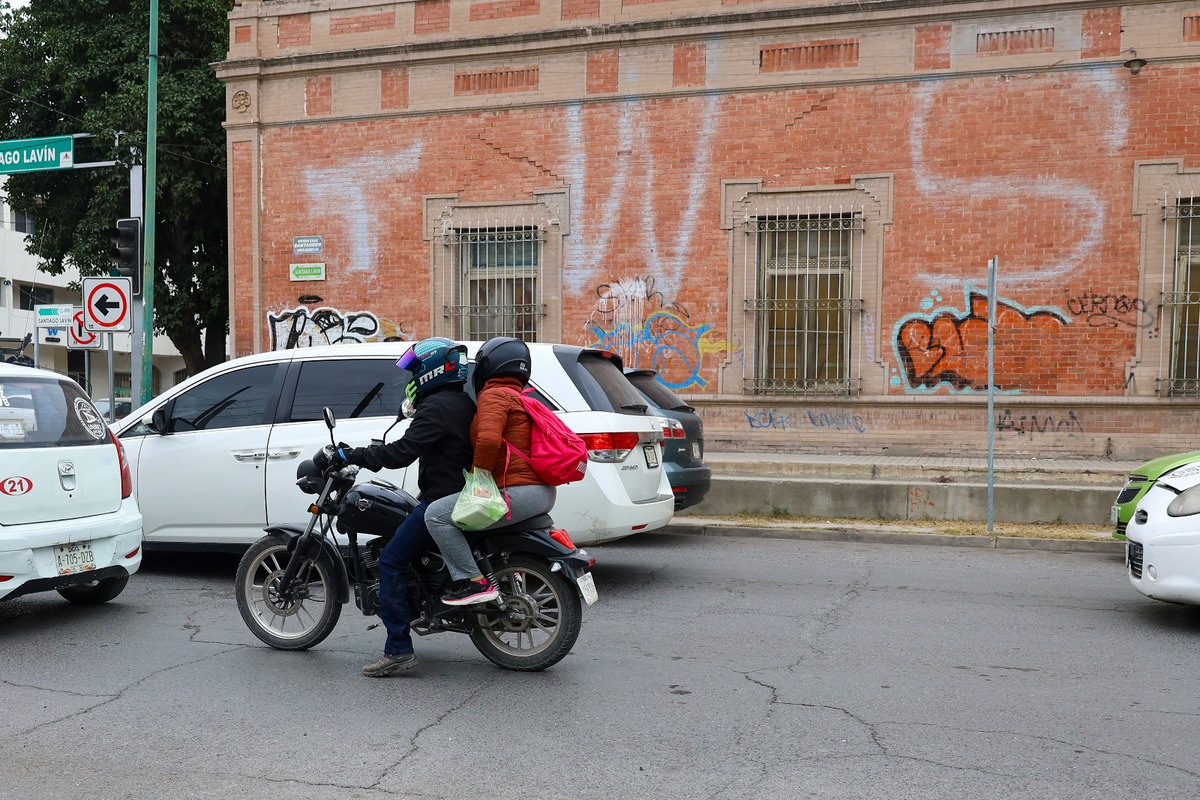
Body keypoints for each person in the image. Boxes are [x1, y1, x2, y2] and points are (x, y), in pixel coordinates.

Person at [326, 337, 476, 677]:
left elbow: (399, 454)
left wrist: (356, 454)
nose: (411, 378)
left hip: (441, 499)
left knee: (391, 560)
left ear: (432, 370)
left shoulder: (436, 407)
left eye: (414, 370)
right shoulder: (462, 402)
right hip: (459, 494)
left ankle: (397, 650)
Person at [425, 337, 556, 606]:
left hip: (520, 491)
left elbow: (488, 441)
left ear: (488, 366)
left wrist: (476, 481)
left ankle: (474, 582)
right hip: (540, 492)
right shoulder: (522, 397)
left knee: (436, 515)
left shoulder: (494, 395)